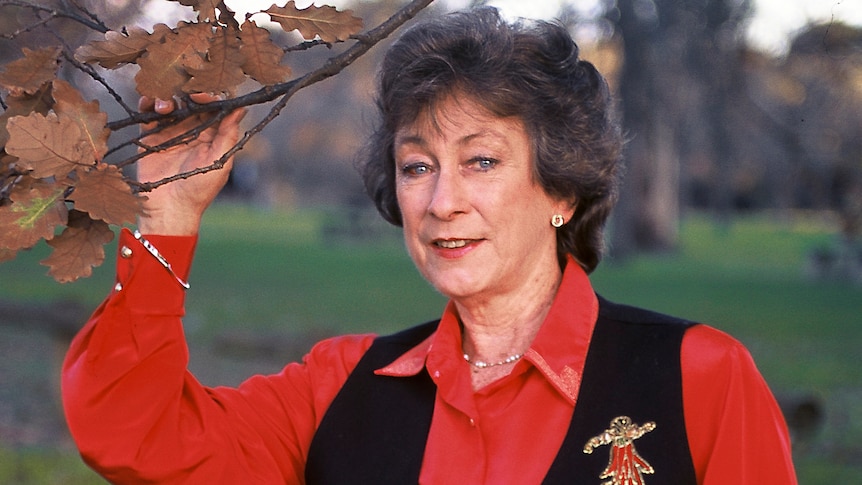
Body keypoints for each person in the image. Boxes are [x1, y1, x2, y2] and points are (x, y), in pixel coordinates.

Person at [62, 7, 797, 484]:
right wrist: (168, 214)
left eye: (480, 160)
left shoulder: (701, 378)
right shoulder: (337, 387)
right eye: (417, 166)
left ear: (561, 190)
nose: (442, 201)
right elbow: (137, 433)